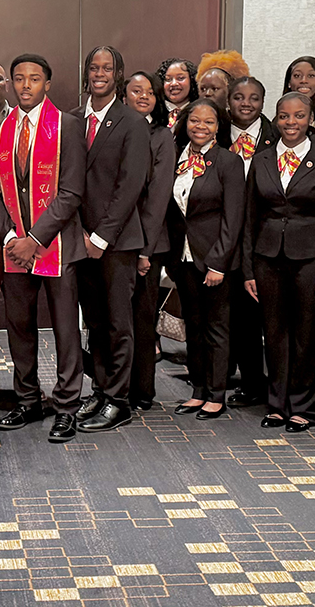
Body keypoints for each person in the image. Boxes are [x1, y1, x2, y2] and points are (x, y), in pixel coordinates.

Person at [0, 54, 88, 443]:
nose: (26, 85)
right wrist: (12, 237)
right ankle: (28, 399)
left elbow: (72, 192)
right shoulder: (1, 129)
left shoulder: (67, 126)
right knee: (19, 327)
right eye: (19, 79)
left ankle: (67, 406)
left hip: (57, 244)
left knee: (65, 328)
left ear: (47, 83)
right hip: (15, 246)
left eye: (34, 79)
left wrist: (36, 239)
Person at [244, 93, 315, 432]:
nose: (291, 123)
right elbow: (249, 219)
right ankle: (277, 404)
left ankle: (304, 406)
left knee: (307, 333)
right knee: (273, 333)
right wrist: (247, 269)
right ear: (276, 119)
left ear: (311, 119)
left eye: (299, 116)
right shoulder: (262, 160)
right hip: (267, 257)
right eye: (284, 116)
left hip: (311, 259)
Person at [73, 45, 150, 432]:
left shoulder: (132, 122)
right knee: (96, 323)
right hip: (79, 239)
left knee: (120, 322)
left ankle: (119, 400)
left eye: (107, 68)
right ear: (86, 73)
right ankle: (101, 389)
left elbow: (130, 185)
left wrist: (101, 237)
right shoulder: (72, 120)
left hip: (116, 242)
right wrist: (81, 234)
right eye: (94, 67)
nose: (99, 73)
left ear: (118, 75)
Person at [164, 98, 245, 420]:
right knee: (193, 327)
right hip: (182, 258)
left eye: (208, 122)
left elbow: (233, 217)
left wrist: (218, 263)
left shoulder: (228, 162)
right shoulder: (175, 159)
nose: (200, 127)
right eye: (194, 121)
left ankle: (216, 393)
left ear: (218, 127)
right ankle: (198, 390)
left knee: (217, 329)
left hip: (214, 261)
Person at [124, 71, 176, 415]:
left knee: (142, 320)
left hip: (148, 244)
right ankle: (111, 385)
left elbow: (157, 198)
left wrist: (144, 250)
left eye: (150, 92)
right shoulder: (114, 131)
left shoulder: (162, 137)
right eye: (136, 90)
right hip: (110, 242)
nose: (144, 96)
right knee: (113, 320)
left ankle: (142, 390)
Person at [224, 76, 276, 409]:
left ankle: (277, 384)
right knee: (238, 318)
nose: (246, 103)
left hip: (264, 235)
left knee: (266, 316)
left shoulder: (277, 137)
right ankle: (251, 382)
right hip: (223, 233)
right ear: (228, 102)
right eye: (239, 97)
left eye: (254, 98)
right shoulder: (214, 133)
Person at [283, 55, 315, 129]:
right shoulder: (278, 123)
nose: (304, 80)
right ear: (289, 82)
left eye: (311, 76)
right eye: (297, 75)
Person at [158, 58, 197, 127]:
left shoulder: (200, 110)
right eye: (168, 79)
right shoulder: (154, 111)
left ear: (191, 80)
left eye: (180, 78)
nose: (173, 84)